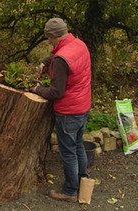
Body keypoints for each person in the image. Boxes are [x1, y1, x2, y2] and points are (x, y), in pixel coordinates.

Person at [30, 17, 92, 203]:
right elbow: (61, 54)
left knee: (68, 152)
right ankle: (83, 181)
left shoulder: (61, 60)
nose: (49, 41)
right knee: (78, 145)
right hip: (83, 107)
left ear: (52, 36)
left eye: (49, 38)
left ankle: (70, 191)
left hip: (68, 112)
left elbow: (56, 91)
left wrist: (37, 89)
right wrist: (45, 62)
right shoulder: (79, 44)